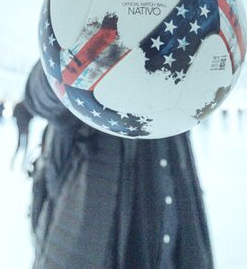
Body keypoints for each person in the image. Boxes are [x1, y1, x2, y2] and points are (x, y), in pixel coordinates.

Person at [24, 60, 213, 268]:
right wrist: (83, 53)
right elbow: (37, 96)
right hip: (88, 246)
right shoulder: (85, 85)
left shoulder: (167, 86)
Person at [11, 99, 33, 170]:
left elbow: (14, 115)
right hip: (26, 126)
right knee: (25, 146)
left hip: (20, 126)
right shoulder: (28, 105)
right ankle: (23, 164)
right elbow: (31, 115)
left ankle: (14, 162)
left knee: (19, 145)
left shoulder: (18, 105)